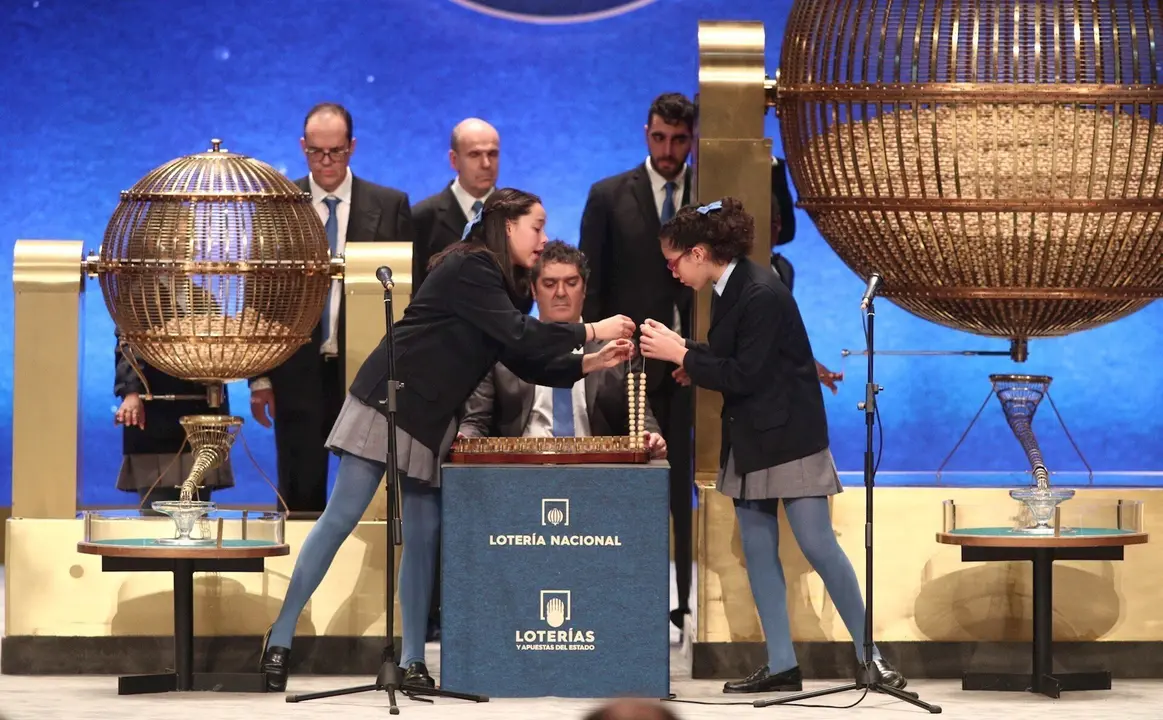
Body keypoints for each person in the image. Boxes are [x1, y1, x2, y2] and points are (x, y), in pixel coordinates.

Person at [259, 188, 637, 691]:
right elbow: (521, 336)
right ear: (507, 226)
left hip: (432, 415)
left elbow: (518, 356)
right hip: (388, 399)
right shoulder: (471, 267)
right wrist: (591, 330)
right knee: (342, 517)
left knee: (424, 535)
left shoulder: (502, 283)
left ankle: (414, 660)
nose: (543, 239)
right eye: (537, 227)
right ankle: (280, 637)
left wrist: (588, 363)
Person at [639, 197, 906, 693]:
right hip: (752, 438)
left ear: (698, 253)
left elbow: (746, 373)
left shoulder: (761, 291)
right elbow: (732, 357)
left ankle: (873, 657)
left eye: (674, 261)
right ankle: (782, 665)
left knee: (818, 546)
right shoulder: (728, 287)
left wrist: (683, 353)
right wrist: (691, 356)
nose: (672, 271)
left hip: (789, 439)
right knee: (760, 553)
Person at [248, 102, 415, 513]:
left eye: (335, 152)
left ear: (352, 147)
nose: (325, 162)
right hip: (296, 369)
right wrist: (259, 378)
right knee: (298, 490)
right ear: (303, 147)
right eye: (316, 152)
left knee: (367, 493)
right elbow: (259, 295)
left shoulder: (390, 205)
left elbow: (411, 296)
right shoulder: (279, 206)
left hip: (368, 371)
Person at [579, 92, 696, 633]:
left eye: (678, 139)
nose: (668, 149)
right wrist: (601, 359)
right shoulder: (607, 196)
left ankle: (686, 602)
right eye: (659, 138)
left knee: (688, 483)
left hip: (693, 365)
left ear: (691, 139)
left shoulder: (709, 196)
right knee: (632, 480)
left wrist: (697, 353)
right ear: (645, 134)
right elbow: (594, 286)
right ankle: (629, 600)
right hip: (628, 365)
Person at [460, 239, 667, 458]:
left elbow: (640, 418)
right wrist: (466, 436)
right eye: (549, 284)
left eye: (571, 283)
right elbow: (476, 421)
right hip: (521, 470)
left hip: (596, 470)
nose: (560, 292)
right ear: (533, 289)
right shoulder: (503, 347)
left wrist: (650, 435)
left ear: (584, 288)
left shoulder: (618, 348)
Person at [114, 338, 234, 505]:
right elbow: (128, 341)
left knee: (197, 513)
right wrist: (131, 391)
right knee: (157, 514)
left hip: (204, 413)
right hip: (155, 417)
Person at [411, 118, 501, 294]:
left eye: (492, 154)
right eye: (475, 155)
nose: (486, 164)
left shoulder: (516, 214)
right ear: (454, 160)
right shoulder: (422, 218)